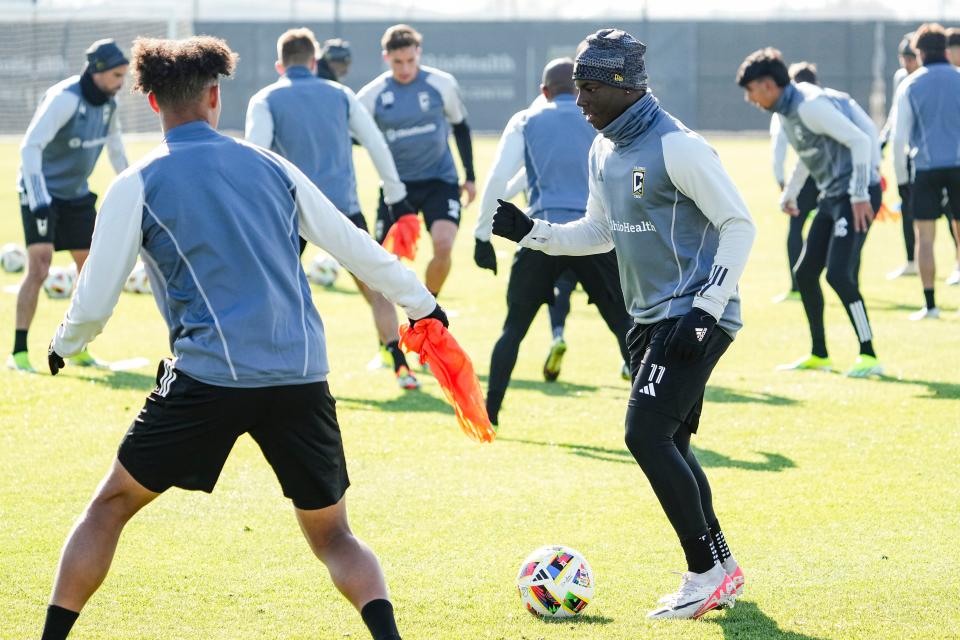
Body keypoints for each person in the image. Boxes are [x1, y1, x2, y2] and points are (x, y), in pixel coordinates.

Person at [41, 35, 447, 640]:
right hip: (303, 377)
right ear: (214, 97)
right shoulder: (272, 166)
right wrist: (424, 304)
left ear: (151, 103)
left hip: (209, 378)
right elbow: (356, 248)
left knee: (109, 508)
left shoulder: (136, 183)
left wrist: (64, 345)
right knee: (334, 536)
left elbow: (96, 299)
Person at [493, 29, 755, 619]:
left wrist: (706, 310)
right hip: (647, 318)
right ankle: (723, 566)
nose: (578, 100)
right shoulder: (603, 148)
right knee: (673, 443)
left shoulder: (678, 147)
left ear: (620, 85)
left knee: (644, 435)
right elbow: (597, 232)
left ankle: (703, 572)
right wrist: (529, 231)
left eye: (586, 88)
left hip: (692, 315)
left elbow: (739, 225)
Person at [245, 28, 420, 390]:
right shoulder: (341, 95)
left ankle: (267, 366)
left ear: (280, 65)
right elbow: (374, 143)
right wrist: (396, 193)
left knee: (273, 289)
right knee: (378, 283)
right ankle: (399, 362)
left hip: (287, 213)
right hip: (342, 209)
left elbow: (255, 155)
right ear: (314, 62)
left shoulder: (265, 98)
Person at [473, 58, 633, 425]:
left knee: (513, 328)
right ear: (578, 91)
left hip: (539, 234)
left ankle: (490, 412)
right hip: (596, 237)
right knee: (624, 326)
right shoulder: (602, 119)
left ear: (543, 92)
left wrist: (482, 235)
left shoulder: (527, 120)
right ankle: (657, 410)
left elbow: (499, 180)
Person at [739, 47, 884, 377]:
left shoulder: (809, 104)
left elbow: (860, 141)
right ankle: (820, 354)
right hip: (833, 195)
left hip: (857, 194)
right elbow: (808, 154)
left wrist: (861, 193)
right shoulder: (786, 111)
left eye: (750, 91)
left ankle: (869, 355)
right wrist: (790, 193)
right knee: (805, 273)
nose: (750, 99)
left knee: (838, 274)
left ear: (767, 85)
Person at [9, 39, 129, 373]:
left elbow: (116, 149)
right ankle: (18, 353)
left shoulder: (110, 105)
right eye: (117, 75)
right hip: (42, 192)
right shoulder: (64, 100)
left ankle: (74, 347)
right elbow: (30, 148)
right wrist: (38, 199)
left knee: (88, 269)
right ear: (98, 71)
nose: (122, 83)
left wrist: (135, 187)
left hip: (77, 194)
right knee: (40, 266)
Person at [357, 24, 476, 299]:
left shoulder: (441, 84)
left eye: (411, 60)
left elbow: (460, 127)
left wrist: (470, 177)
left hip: (440, 181)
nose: (405, 68)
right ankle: (391, 329)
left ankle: (427, 306)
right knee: (383, 260)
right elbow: (354, 137)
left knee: (444, 246)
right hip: (396, 187)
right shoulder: (370, 96)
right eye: (398, 62)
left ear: (418, 53)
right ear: (386, 58)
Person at [891, 24, 960, 319]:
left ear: (919, 53)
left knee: (925, 237)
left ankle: (930, 305)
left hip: (925, 170)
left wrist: (902, 180)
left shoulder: (910, 84)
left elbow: (899, 139)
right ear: (945, 50)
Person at [769, 62, 821, 302]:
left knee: (796, 229)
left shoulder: (786, 106)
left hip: (805, 177)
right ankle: (847, 278)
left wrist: (781, 179)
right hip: (829, 174)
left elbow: (778, 145)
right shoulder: (822, 101)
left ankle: (797, 285)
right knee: (835, 226)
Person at [882, 32, 922, 280]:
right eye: (904, 58)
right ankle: (911, 260)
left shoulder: (925, 79)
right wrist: (883, 139)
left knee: (950, 212)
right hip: (904, 154)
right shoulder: (901, 78)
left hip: (928, 156)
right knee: (907, 208)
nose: (907, 64)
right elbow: (895, 115)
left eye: (911, 58)